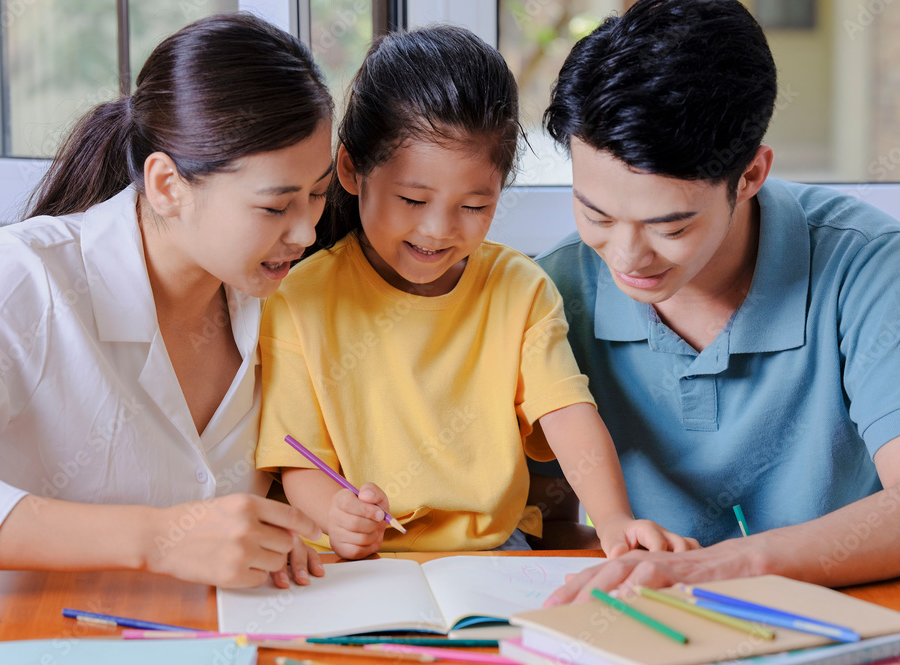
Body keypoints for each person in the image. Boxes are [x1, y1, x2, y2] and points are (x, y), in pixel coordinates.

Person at [532, 0, 900, 605]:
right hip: (653, 632)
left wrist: (723, 568)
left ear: (751, 175)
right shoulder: (553, 289)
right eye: (595, 214)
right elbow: (537, 518)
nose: (627, 256)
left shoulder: (866, 264)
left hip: (863, 625)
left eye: (671, 227)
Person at [255, 25, 697, 560]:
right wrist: (335, 515)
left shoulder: (520, 289)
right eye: (413, 200)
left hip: (491, 553)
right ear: (351, 169)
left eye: (473, 207)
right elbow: (299, 457)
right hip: (350, 558)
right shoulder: (299, 297)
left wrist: (613, 520)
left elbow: (567, 412)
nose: (440, 230)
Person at [0, 13, 333, 589]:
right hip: (26, 651)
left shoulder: (279, 299)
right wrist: (158, 538)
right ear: (167, 186)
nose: (307, 231)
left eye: (318, 194)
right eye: (275, 206)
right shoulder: (19, 279)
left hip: (222, 649)